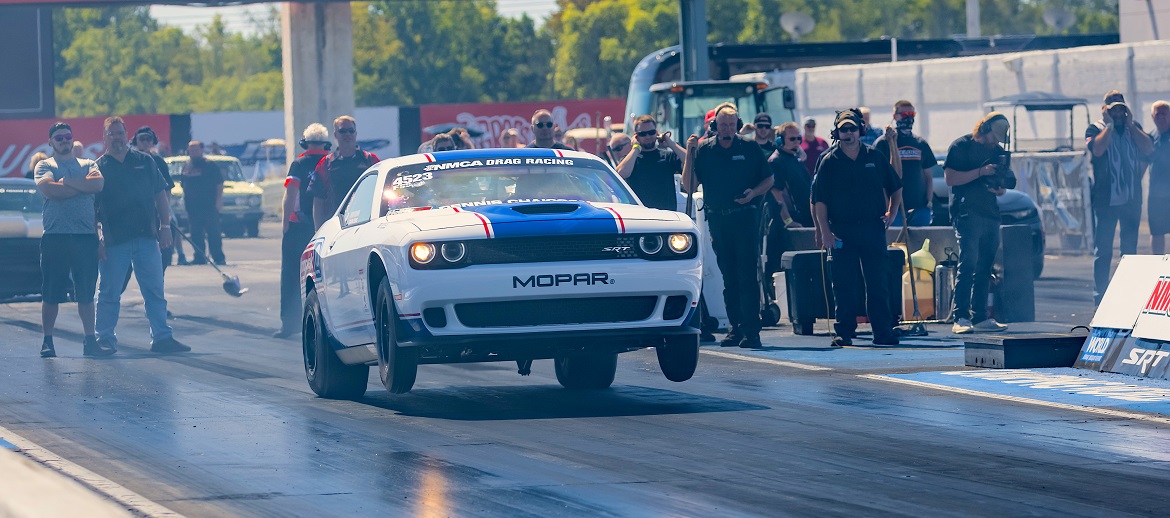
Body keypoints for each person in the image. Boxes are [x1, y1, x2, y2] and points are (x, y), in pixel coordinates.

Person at [94, 116, 189, 354]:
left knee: (155, 290)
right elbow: (92, 208)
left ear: (128, 136)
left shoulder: (145, 161)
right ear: (105, 137)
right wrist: (98, 239)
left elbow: (160, 194)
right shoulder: (98, 167)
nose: (117, 137)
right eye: (112, 133)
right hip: (115, 240)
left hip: (147, 237)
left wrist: (165, 227)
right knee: (109, 292)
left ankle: (162, 338)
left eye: (120, 132)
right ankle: (104, 338)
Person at [682, 105, 774, 349]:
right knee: (729, 276)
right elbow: (689, 185)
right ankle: (735, 328)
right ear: (715, 126)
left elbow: (769, 179)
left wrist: (753, 192)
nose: (727, 129)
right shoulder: (704, 150)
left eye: (731, 125)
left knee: (747, 275)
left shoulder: (750, 147)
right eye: (723, 125)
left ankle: (751, 331)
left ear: (738, 125)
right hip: (719, 220)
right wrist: (690, 154)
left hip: (745, 218)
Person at [812, 109, 902, 347]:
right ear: (837, 133)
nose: (849, 133)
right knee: (843, 284)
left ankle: (883, 332)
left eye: (852, 128)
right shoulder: (829, 161)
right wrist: (824, 231)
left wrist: (892, 213)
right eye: (844, 129)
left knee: (877, 283)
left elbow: (896, 185)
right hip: (842, 230)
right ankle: (844, 332)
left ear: (860, 130)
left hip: (873, 229)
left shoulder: (874, 156)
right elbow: (819, 200)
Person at [33, 122, 109, 357]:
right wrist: (81, 187)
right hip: (55, 237)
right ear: (51, 142)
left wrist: (67, 182)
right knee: (51, 292)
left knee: (86, 293)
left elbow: (97, 184)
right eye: (59, 138)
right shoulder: (45, 165)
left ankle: (90, 341)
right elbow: (50, 191)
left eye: (67, 137)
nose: (64, 141)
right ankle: (48, 341)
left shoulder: (89, 164)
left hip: (86, 237)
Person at [944, 112, 1016, 334]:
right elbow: (950, 179)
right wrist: (980, 172)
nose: (994, 142)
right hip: (966, 212)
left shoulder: (997, 152)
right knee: (968, 264)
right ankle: (961, 317)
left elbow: (1008, 181)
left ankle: (980, 316)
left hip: (990, 213)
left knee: (985, 267)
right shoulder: (960, 147)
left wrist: (1000, 187)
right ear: (983, 128)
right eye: (993, 136)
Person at [1086, 90, 1154, 303]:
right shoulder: (1094, 129)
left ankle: (1128, 295)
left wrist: (1131, 125)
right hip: (1106, 200)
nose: (1117, 113)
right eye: (1113, 109)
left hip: (1131, 199)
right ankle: (1101, 297)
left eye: (1121, 109)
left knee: (1129, 252)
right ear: (1105, 110)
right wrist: (1109, 126)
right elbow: (1097, 150)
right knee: (1103, 250)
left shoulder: (1134, 129)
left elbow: (1149, 149)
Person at [275, 123, 332, 339]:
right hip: (325, 225)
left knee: (290, 275)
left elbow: (290, 195)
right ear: (325, 142)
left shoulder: (298, 164)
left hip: (299, 225)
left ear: (305, 142)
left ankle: (288, 324)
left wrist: (285, 223)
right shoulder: (330, 162)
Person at [873, 100, 938, 227]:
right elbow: (877, 178)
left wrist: (929, 203)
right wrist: (886, 207)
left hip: (919, 208)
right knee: (895, 246)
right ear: (895, 116)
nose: (908, 118)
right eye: (904, 114)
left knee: (920, 245)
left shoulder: (920, 143)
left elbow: (928, 176)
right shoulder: (884, 142)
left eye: (911, 114)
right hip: (893, 211)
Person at [310, 115, 381, 229]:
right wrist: (319, 230)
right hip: (336, 227)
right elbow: (318, 201)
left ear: (356, 133)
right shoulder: (325, 164)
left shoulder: (370, 160)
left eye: (351, 131)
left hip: (367, 224)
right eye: (342, 131)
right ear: (335, 135)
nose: (347, 134)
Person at [763, 121, 809, 289]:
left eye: (799, 138)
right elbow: (777, 194)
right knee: (782, 264)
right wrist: (788, 220)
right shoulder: (776, 161)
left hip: (802, 218)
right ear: (780, 141)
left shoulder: (794, 158)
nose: (797, 142)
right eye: (792, 139)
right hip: (788, 222)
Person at [133, 126, 184, 269]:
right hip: (136, 206)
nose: (145, 142)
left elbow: (167, 188)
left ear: (152, 141)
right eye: (141, 139)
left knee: (173, 222)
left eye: (148, 139)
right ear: (135, 141)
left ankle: (180, 253)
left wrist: (164, 210)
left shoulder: (158, 161)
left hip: (157, 203)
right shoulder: (130, 159)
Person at [615, 115, 686, 211]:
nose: (648, 136)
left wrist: (671, 144)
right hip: (641, 216)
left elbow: (690, 161)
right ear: (636, 136)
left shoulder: (668, 156)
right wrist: (636, 148)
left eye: (651, 132)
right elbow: (621, 173)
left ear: (656, 133)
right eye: (643, 134)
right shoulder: (631, 158)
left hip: (667, 216)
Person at [179, 141, 225, 265]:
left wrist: (218, 201)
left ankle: (218, 257)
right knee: (195, 234)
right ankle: (199, 257)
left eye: (195, 149)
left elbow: (219, 184)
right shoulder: (186, 166)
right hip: (193, 208)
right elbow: (183, 184)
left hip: (209, 206)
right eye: (190, 149)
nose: (193, 152)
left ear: (202, 150)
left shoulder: (210, 165)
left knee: (213, 233)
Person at [1149, 101, 1170, 255]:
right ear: (1152, 117)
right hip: (1156, 194)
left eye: (1165, 113)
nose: (1161, 117)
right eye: (1158, 114)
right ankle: (1158, 264)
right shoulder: (1150, 137)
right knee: (1157, 232)